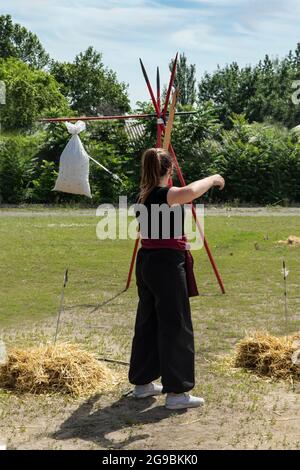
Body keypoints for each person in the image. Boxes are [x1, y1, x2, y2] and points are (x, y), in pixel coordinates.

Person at [129, 148, 225, 410]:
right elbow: (192, 191)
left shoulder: (142, 195)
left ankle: (143, 383)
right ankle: (177, 394)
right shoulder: (165, 194)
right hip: (166, 264)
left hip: (147, 261)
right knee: (176, 323)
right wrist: (214, 177)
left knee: (148, 321)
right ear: (169, 170)